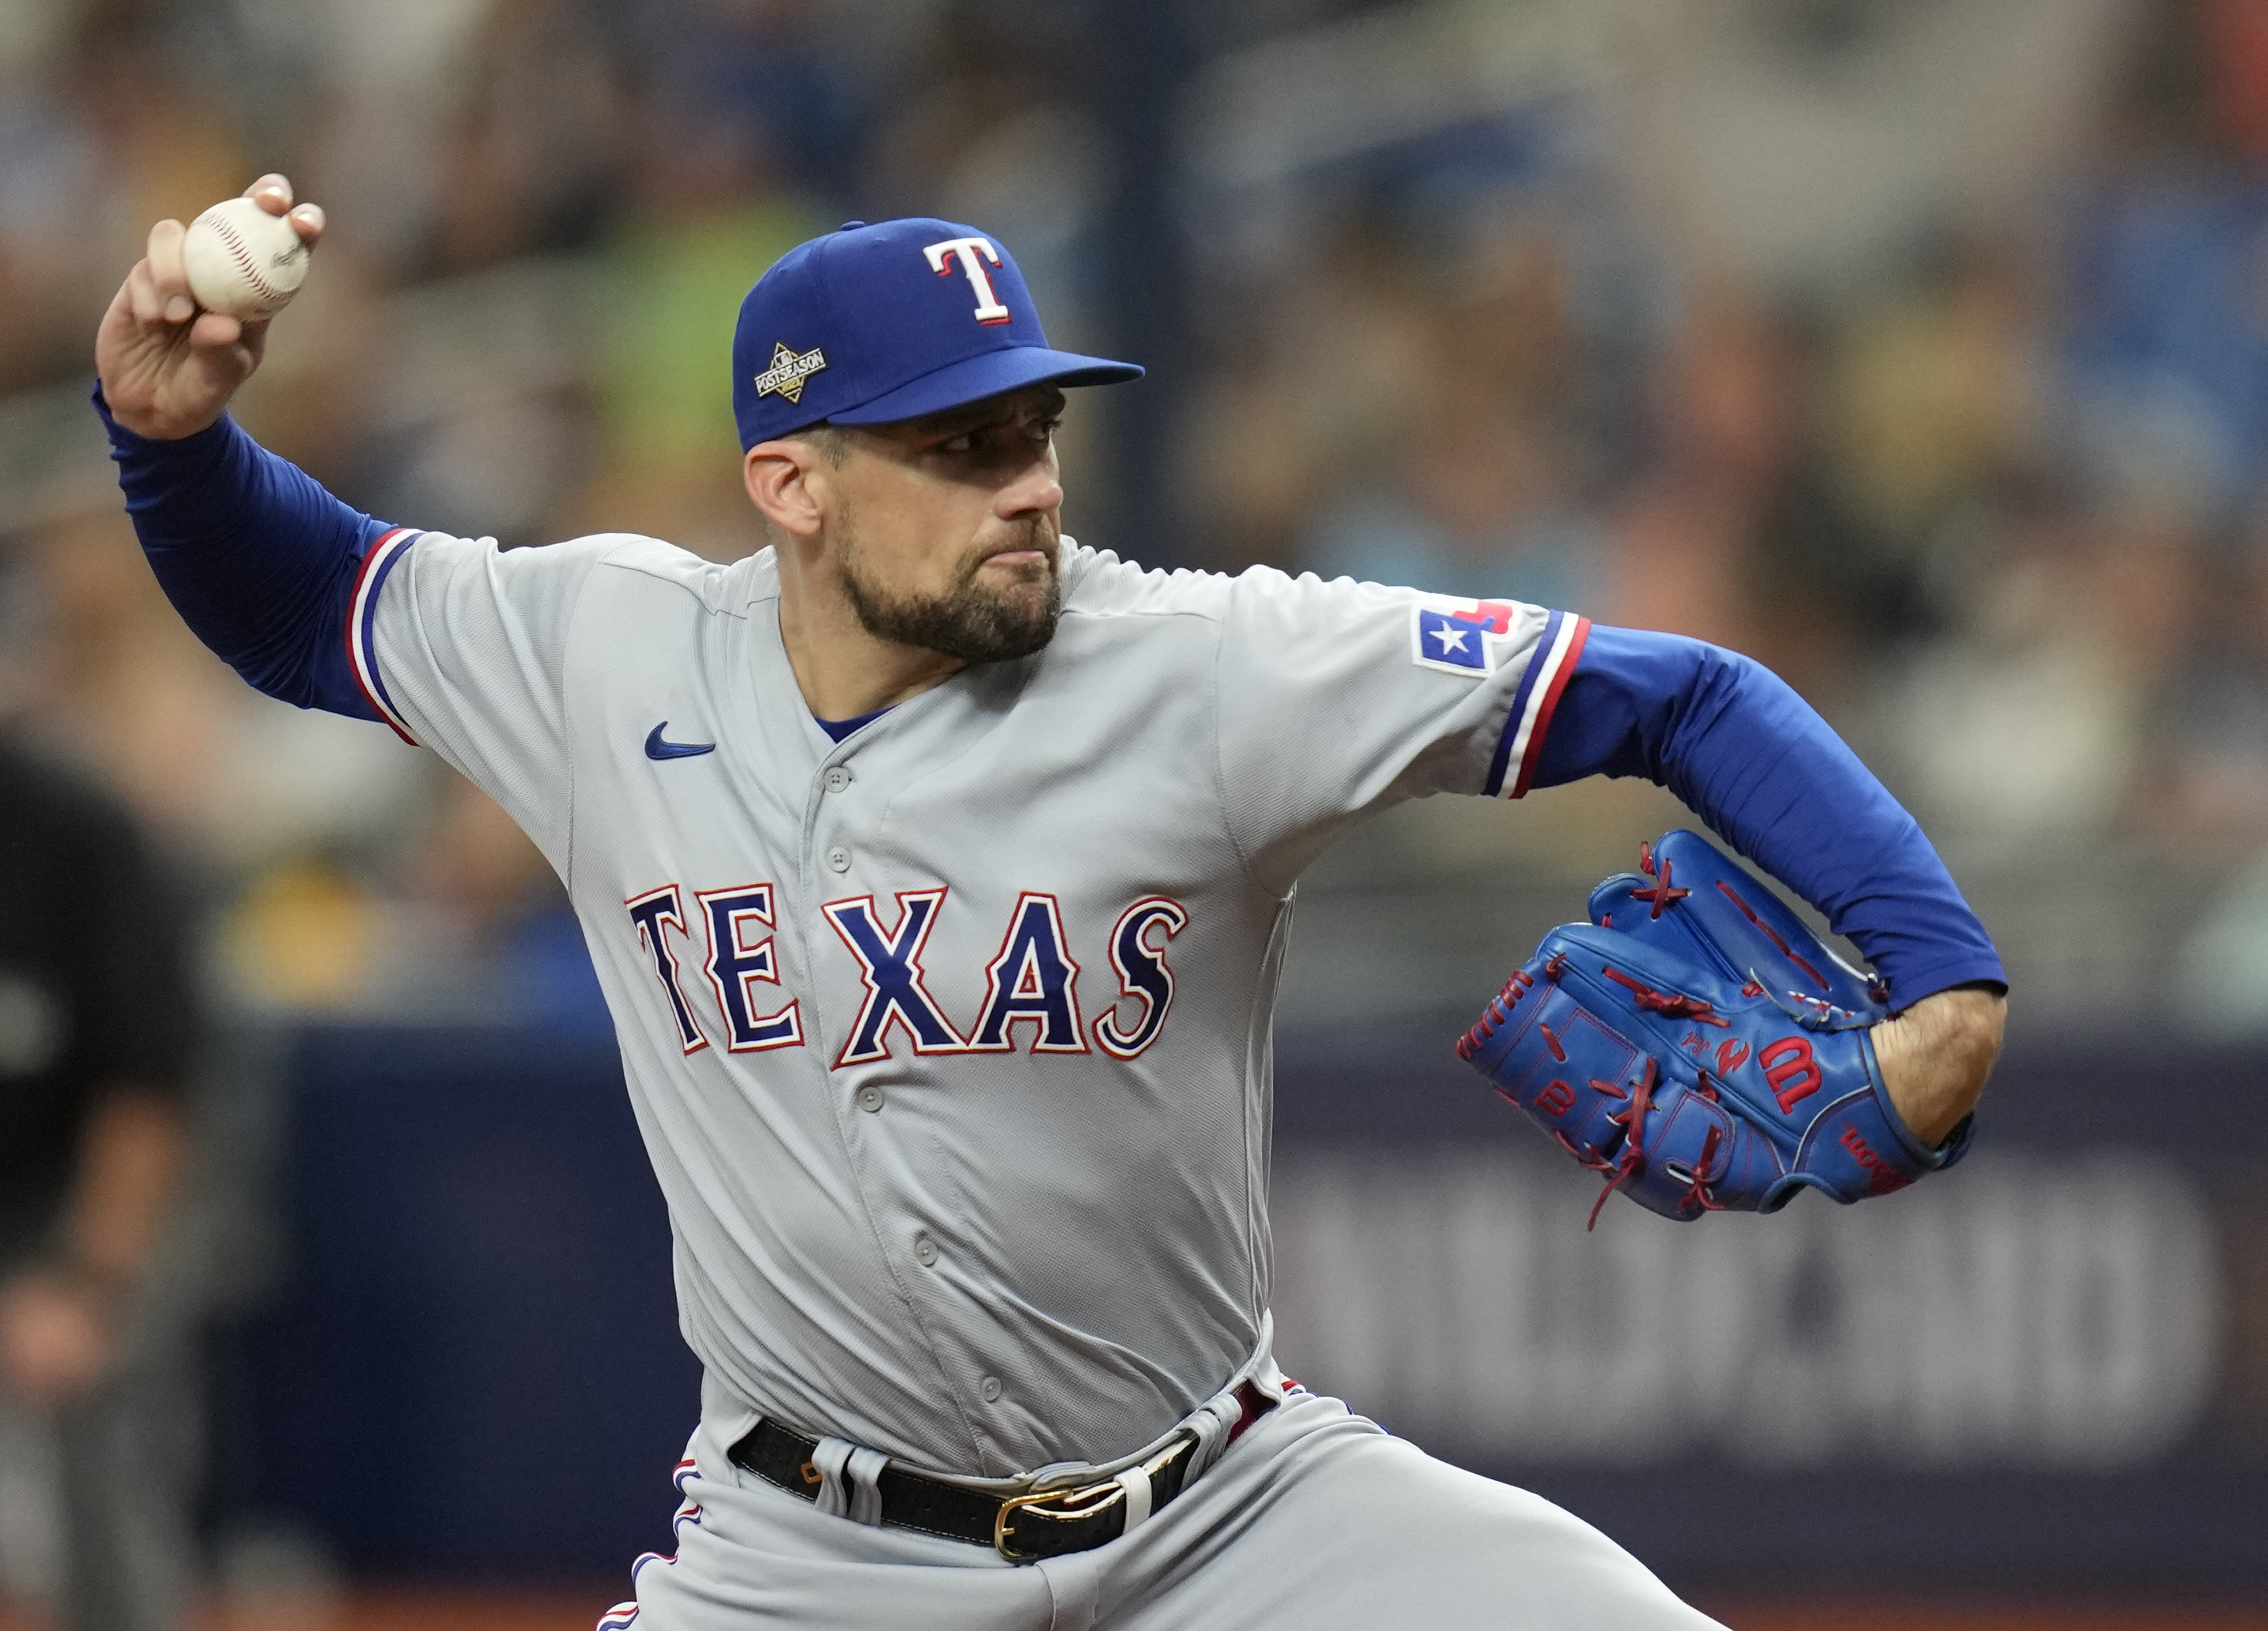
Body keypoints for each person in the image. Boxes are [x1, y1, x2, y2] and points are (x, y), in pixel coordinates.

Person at [94, 176, 2006, 1629]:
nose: (1019, 486)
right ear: (792, 481)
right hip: (805, 1555)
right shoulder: (605, 651)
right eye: (953, 448)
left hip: (1228, 1519)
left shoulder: (1203, 666)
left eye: (1029, 429)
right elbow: (303, 598)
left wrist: (1941, 978)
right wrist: (168, 439)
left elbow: (1675, 692)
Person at [0, 734, 198, 1631]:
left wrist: (88, 1288)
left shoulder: (75, 830)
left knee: (100, 1438)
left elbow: (147, 1090)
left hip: (67, 1213)